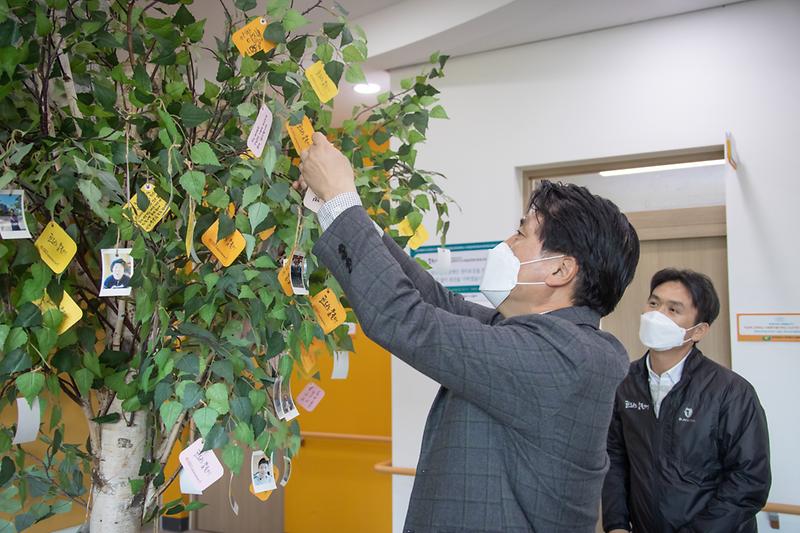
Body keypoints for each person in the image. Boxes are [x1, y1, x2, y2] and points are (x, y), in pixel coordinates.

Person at [297, 133, 640, 532]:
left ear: (561, 270)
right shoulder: (542, 339)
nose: (506, 243)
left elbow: (406, 318)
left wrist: (342, 200)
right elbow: (433, 301)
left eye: (521, 233)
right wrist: (334, 207)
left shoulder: (563, 357)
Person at [602, 268, 771, 533]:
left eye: (673, 310)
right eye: (654, 303)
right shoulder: (624, 383)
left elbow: (749, 481)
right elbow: (614, 458)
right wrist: (617, 524)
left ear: (699, 330)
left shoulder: (731, 392)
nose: (657, 315)